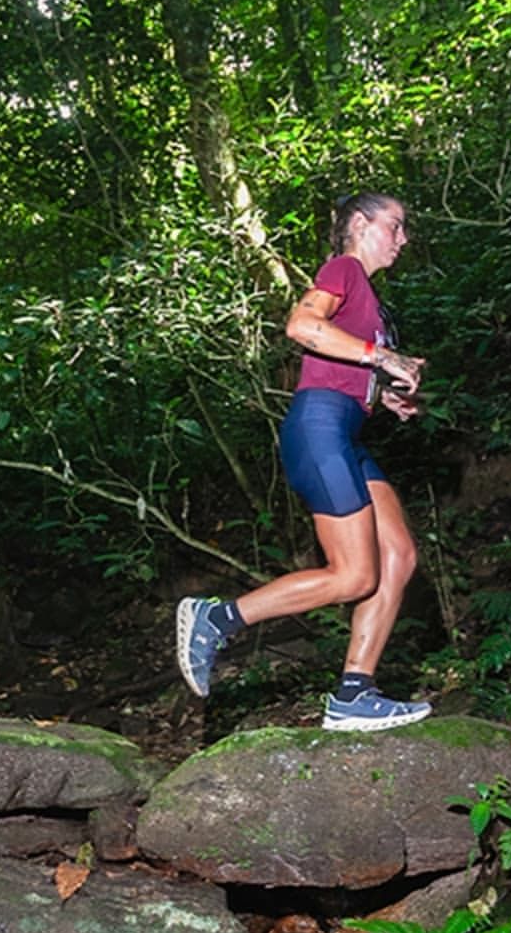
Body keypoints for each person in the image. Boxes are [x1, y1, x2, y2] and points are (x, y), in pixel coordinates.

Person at [177, 191, 431, 731]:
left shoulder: (371, 300)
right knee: (355, 575)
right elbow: (302, 326)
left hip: (346, 430)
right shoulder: (343, 268)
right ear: (360, 224)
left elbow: (344, 365)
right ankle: (217, 618)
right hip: (319, 428)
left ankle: (353, 694)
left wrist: (387, 395)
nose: (403, 239)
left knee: (399, 555)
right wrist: (381, 357)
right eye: (396, 226)